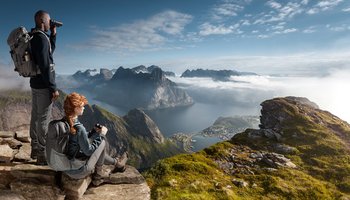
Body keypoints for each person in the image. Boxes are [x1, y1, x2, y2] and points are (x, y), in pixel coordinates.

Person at [63, 92, 128, 184]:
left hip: (67, 166)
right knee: (102, 143)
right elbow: (89, 151)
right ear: (76, 108)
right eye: (82, 106)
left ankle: (117, 163)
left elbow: (78, 137)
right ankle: (98, 176)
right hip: (77, 171)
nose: (84, 107)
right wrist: (102, 134)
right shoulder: (79, 127)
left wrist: (93, 131)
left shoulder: (65, 121)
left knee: (98, 147)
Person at [29, 10, 60, 165]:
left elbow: (47, 54)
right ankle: (42, 153)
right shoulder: (41, 39)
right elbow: (46, 65)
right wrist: (53, 87)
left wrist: (53, 35)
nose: (50, 23)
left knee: (35, 115)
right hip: (43, 85)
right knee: (43, 119)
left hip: (35, 83)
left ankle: (34, 148)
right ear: (42, 20)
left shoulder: (34, 36)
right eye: (48, 21)